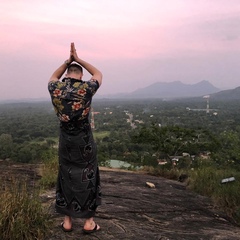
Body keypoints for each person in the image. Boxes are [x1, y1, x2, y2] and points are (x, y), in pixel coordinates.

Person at [48, 42, 102, 234]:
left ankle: (67, 220)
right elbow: (98, 74)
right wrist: (78, 59)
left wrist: (67, 61)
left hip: (66, 142)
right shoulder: (86, 88)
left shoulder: (55, 88)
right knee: (89, 176)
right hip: (84, 141)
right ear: (80, 75)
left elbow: (53, 76)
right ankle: (89, 222)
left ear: (66, 74)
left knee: (66, 176)